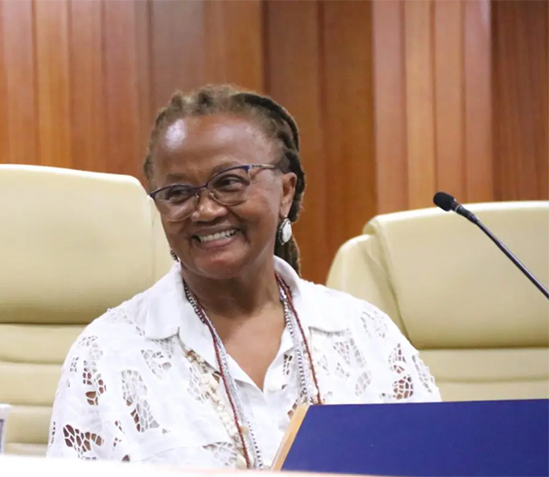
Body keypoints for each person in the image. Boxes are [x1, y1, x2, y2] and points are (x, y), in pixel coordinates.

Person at [46, 85, 441, 469]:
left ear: (285, 192)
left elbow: (438, 462)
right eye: (179, 193)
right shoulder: (108, 354)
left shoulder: (365, 336)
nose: (205, 210)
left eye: (229, 183)